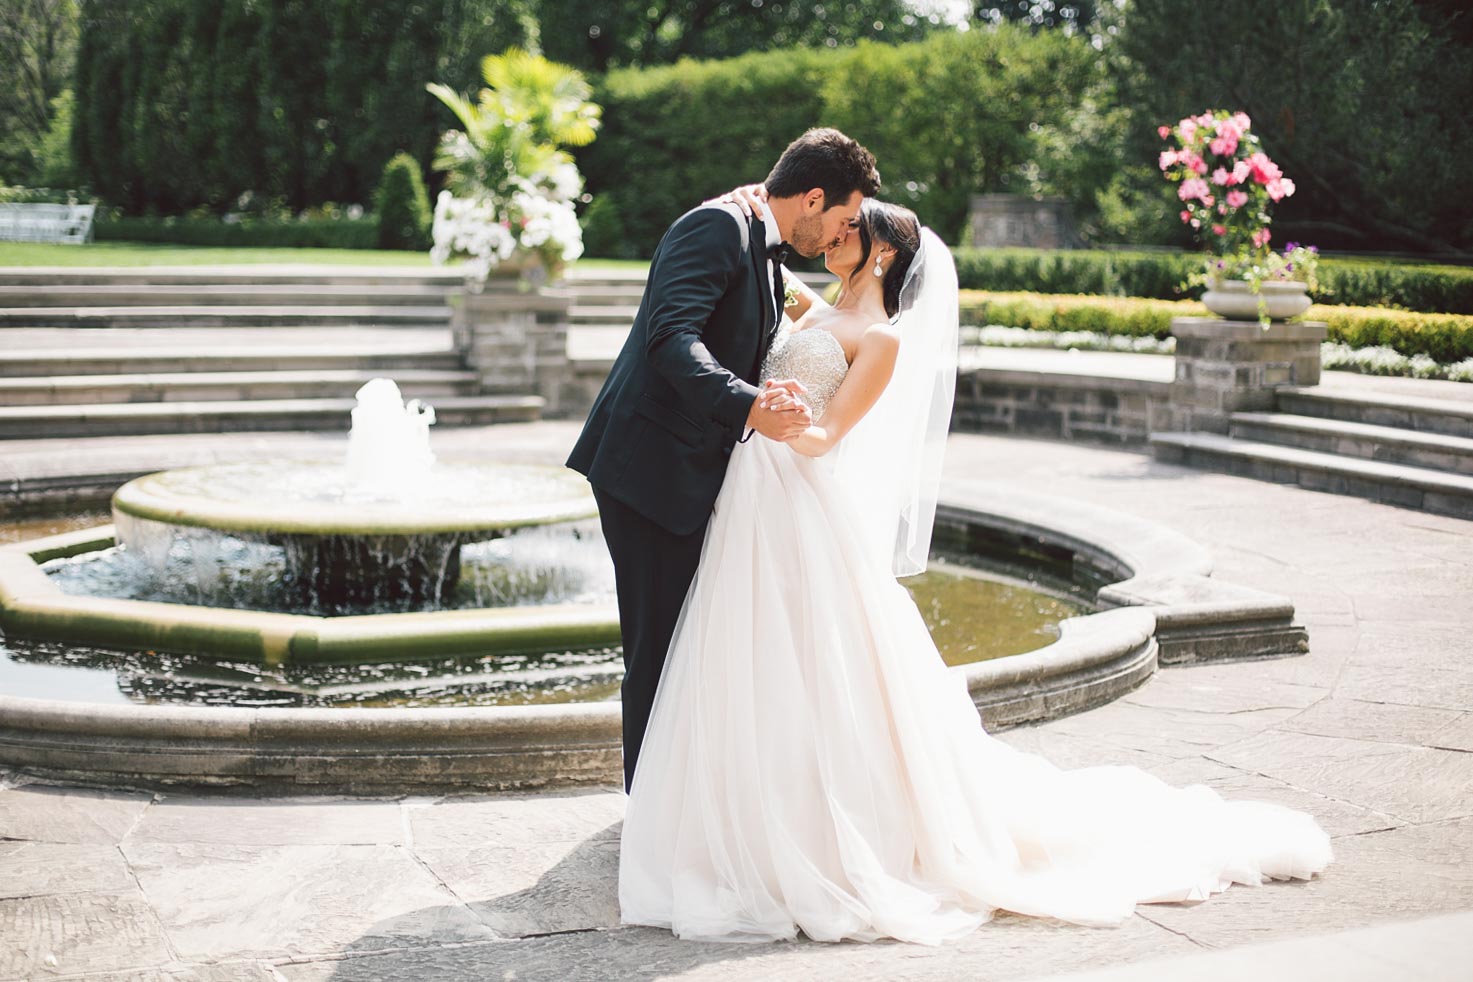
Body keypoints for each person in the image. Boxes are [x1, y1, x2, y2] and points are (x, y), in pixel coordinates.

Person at [615, 190, 1334, 945]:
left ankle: (813, 830)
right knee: (745, 658)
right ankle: (730, 811)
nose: (830, 238)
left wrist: (785, 415)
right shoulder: (810, 307)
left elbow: (828, 438)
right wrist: (745, 204)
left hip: (790, 495)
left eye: (848, 232)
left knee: (806, 663)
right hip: (747, 493)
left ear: (882, 252)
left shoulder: (879, 338)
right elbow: (758, 268)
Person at [566, 128, 881, 793]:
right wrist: (748, 405)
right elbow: (670, 340)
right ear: (814, 198)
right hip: (649, 470)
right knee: (657, 652)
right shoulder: (714, 226)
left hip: (692, 471)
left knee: (689, 650)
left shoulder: (760, 243)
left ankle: (681, 806)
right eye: (842, 221)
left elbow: (785, 329)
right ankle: (650, 814)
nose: (837, 238)